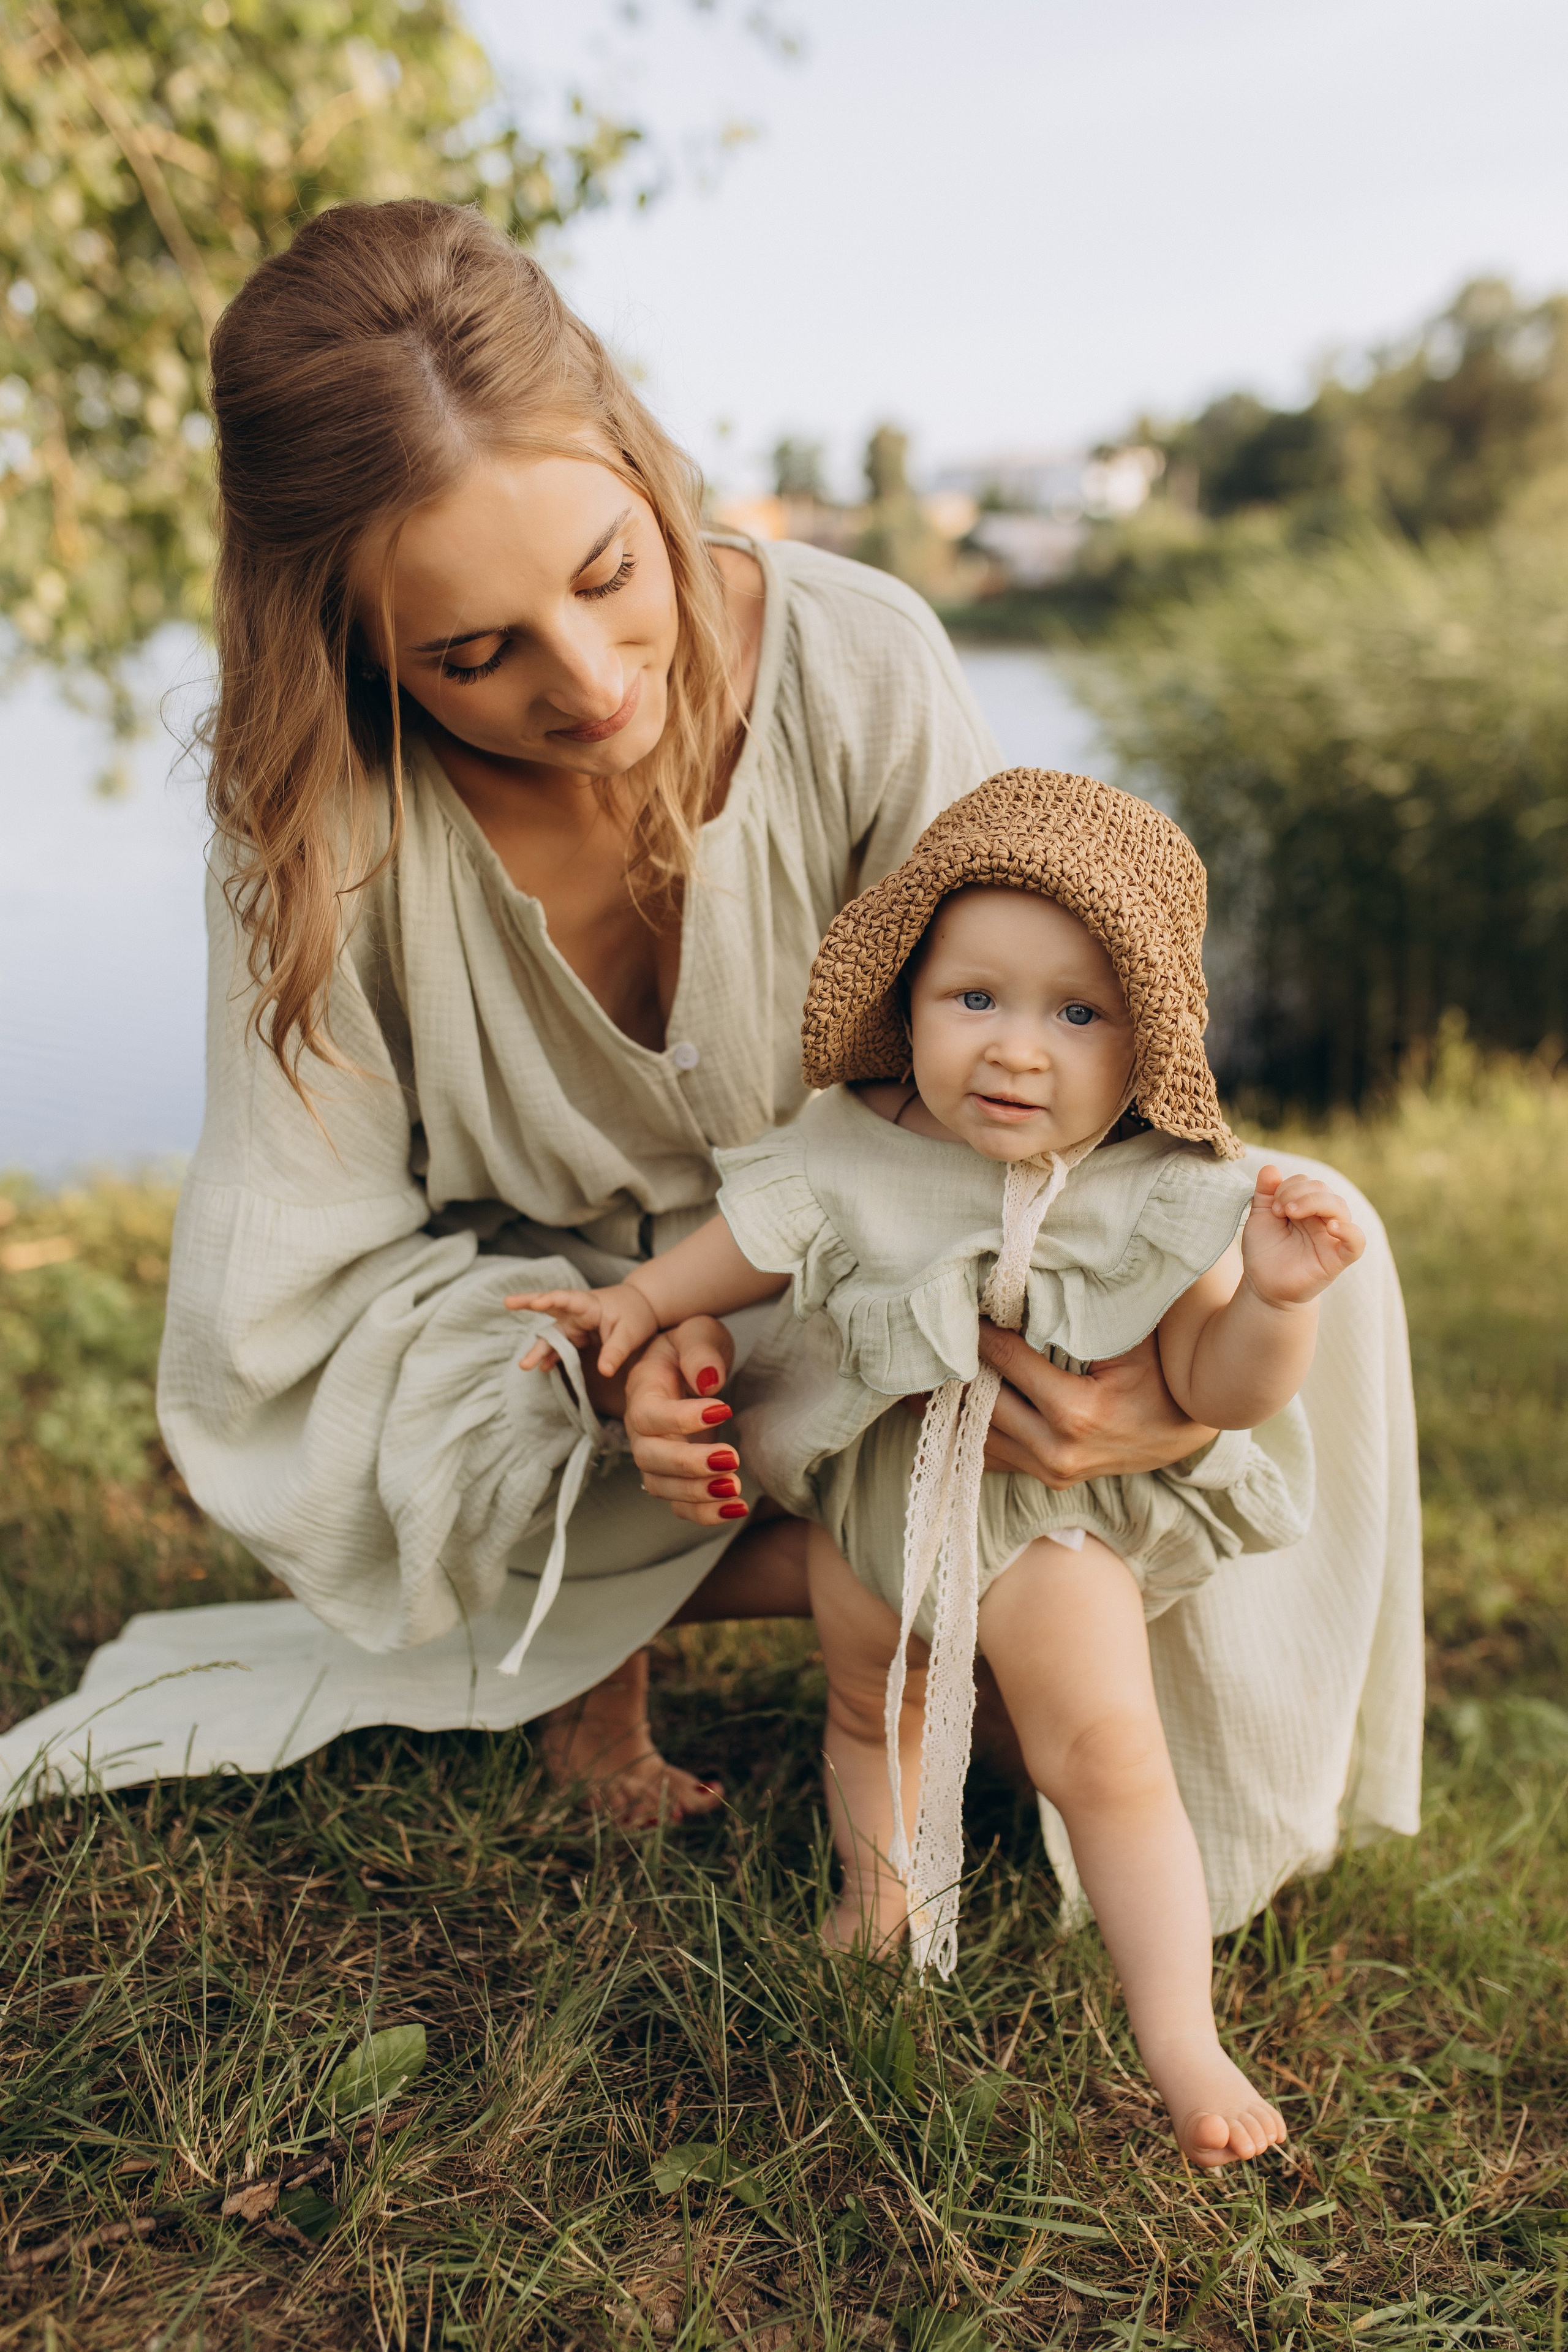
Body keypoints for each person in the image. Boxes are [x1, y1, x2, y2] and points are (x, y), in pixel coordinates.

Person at [126, 197, 1419, 1927]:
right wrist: (614, 1360)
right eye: (472, 653)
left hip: (887, 1278)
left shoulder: (856, 657)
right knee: (438, 1400)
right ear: (350, 644)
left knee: (1324, 1265)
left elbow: (1051, 1056)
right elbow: (292, 1277)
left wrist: (1133, 1393)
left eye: (608, 577)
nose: (587, 685)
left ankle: (906, 1557)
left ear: (645, 470)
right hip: (548, 1327)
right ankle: (825, 1582)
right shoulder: (313, 821)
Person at [510, 769, 1366, 2165]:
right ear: (908, 1000)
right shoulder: (860, 1137)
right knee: (869, 1708)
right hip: (878, 1494)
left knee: (1105, 1757)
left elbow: (1215, 1390)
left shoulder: (1155, 1184)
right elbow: (753, 1243)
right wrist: (643, 1306)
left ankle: (1179, 2034)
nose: (1014, 1051)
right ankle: (877, 1899)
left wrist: (1275, 1301)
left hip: (1039, 1524)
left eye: (1074, 1013)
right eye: (975, 998)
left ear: (1140, 1037)